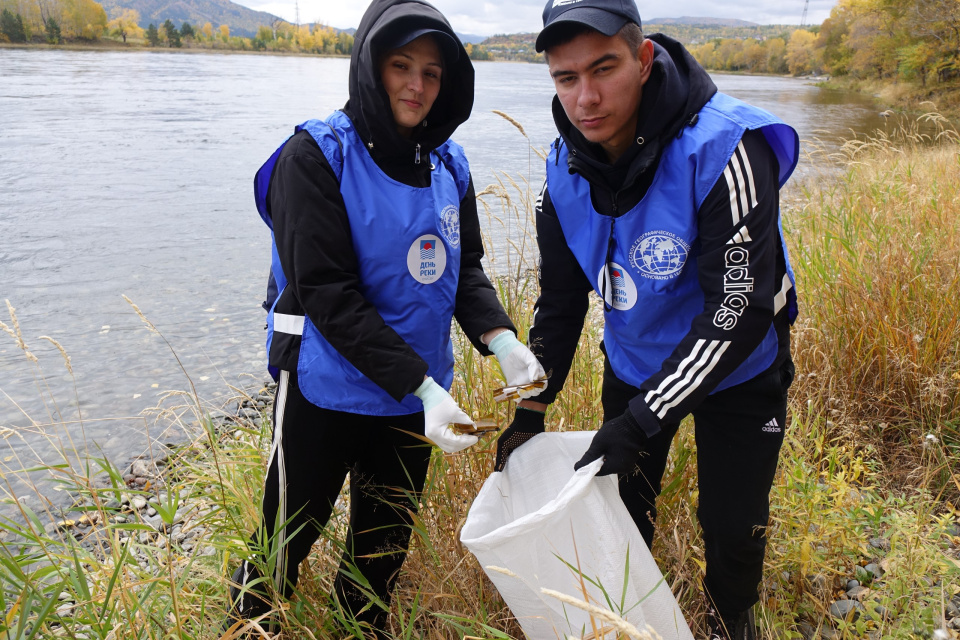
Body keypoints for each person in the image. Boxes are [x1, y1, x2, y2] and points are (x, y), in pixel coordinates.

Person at [227, 0, 545, 636]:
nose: (417, 85)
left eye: (432, 73)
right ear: (369, 66)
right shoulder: (314, 158)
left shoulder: (449, 165)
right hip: (325, 388)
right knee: (281, 546)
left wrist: (501, 337)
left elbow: (466, 271)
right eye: (401, 66)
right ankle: (245, 627)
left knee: (379, 556)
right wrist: (424, 387)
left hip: (409, 404)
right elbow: (328, 294)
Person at [493, 1, 800, 638]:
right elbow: (561, 302)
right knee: (623, 513)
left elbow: (737, 313)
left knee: (733, 525)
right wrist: (529, 409)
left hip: (739, 367)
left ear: (642, 58)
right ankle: (630, 622)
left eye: (603, 68)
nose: (586, 96)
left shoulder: (727, 146)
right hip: (635, 360)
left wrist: (641, 419)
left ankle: (729, 622)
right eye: (566, 77)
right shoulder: (562, 168)